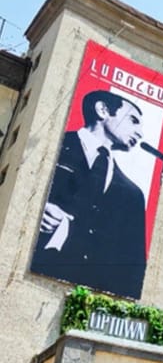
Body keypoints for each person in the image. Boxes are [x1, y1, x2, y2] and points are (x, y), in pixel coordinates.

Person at [32, 89, 149, 298]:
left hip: (95, 300)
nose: (140, 133)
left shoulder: (133, 194)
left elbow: (134, 269)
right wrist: (37, 211)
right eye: (133, 120)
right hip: (35, 281)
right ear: (103, 110)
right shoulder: (51, 146)